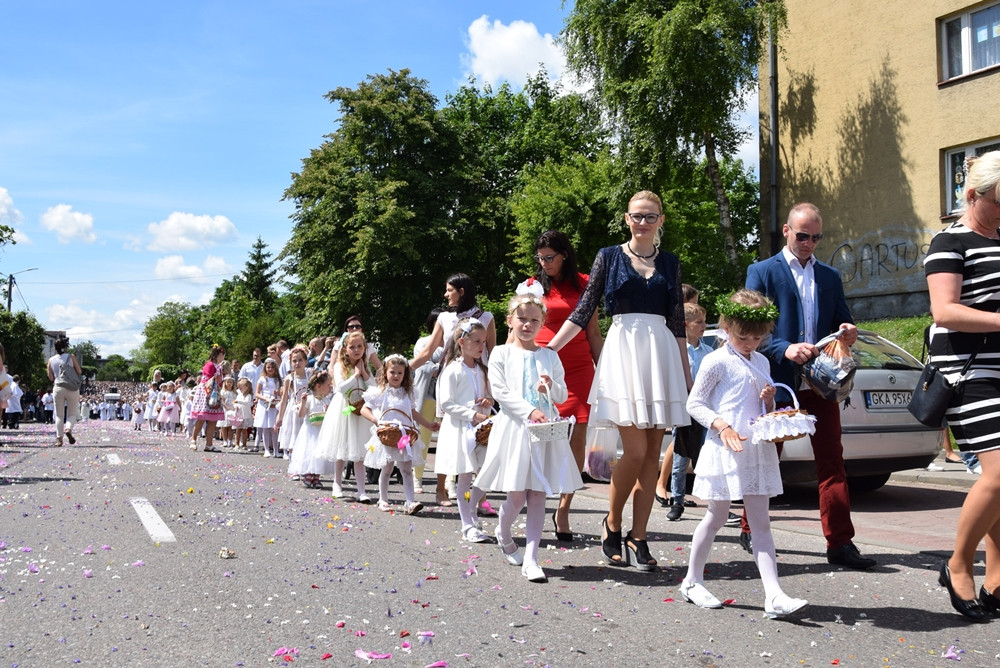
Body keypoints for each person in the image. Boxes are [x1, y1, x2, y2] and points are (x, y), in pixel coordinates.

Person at [547, 190, 691, 571]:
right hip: (624, 352)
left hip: (660, 357)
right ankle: (612, 524)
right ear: (626, 219)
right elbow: (585, 307)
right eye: (637, 216)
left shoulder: (671, 263)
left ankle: (638, 536)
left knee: (651, 455)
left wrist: (685, 371)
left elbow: (677, 321)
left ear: (661, 220)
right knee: (637, 451)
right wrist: (549, 349)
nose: (643, 222)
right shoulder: (609, 257)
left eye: (650, 216)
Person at [745, 202, 875, 570]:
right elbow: (749, 329)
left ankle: (840, 543)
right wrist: (785, 348)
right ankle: (750, 525)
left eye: (816, 237)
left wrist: (848, 333)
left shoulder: (830, 276)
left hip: (820, 383)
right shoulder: (762, 271)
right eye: (803, 235)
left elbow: (842, 322)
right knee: (769, 456)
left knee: (832, 459)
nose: (809, 243)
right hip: (779, 381)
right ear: (786, 231)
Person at [680, 289, 808, 619]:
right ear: (726, 327)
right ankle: (692, 580)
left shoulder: (762, 360)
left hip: (754, 449)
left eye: (757, 337)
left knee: (760, 523)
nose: (750, 343)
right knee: (717, 516)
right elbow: (695, 403)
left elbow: (758, 407)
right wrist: (722, 426)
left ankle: (774, 594)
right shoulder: (715, 360)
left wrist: (768, 400)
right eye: (743, 337)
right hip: (725, 447)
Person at [924, 151, 1000, 622]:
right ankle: (957, 564)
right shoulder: (949, 242)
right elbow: (945, 311)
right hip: (969, 373)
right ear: (974, 195)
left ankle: (996, 579)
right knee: (999, 475)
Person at [475, 293, 583, 583]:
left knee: (538, 493)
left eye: (534, 320)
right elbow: (500, 391)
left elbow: (561, 394)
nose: (527, 324)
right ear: (510, 320)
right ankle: (503, 530)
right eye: (522, 318)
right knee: (517, 493)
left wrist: (550, 385)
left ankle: (532, 558)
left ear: (542, 323)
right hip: (515, 429)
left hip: (543, 432)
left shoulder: (549, 355)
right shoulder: (500, 353)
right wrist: (529, 410)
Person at [517, 230, 602, 542]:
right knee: (540, 437)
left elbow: (593, 331)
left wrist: (603, 368)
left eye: (550, 257)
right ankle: (534, 496)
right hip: (540, 368)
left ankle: (564, 508)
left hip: (579, 369)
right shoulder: (532, 286)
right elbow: (518, 326)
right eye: (540, 258)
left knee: (577, 435)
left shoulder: (585, 283)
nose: (544, 263)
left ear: (564, 254)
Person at [409, 274, 498, 506]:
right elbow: (428, 351)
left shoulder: (486, 317)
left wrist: (492, 389)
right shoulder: (445, 319)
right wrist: (404, 368)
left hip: (479, 379)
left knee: (481, 436)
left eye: (450, 290)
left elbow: (492, 353)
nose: (446, 295)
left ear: (462, 291)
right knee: (450, 435)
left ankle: (481, 498)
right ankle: (441, 489)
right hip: (453, 379)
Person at [435, 318, 494, 543]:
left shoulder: (480, 370)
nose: (482, 346)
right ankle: (467, 524)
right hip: (461, 429)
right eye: (477, 341)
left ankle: (472, 514)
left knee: (485, 474)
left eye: (484, 341)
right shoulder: (453, 370)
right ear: (462, 342)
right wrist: (471, 414)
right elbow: (447, 404)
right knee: (465, 477)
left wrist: (487, 401)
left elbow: (485, 396)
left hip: (480, 429)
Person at [361, 354, 438, 514]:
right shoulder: (380, 392)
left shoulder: (407, 393)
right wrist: (376, 421)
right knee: (387, 468)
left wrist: (428, 425)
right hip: (386, 434)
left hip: (404, 436)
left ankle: (410, 501)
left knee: (406, 468)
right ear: (385, 373)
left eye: (399, 373)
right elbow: (364, 409)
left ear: (405, 375)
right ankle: (383, 499)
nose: (396, 376)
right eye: (392, 372)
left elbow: (413, 412)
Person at [665, 302, 714, 521]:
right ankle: (677, 500)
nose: (704, 326)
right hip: (685, 411)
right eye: (700, 322)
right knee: (680, 458)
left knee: (707, 456)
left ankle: (714, 502)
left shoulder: (708, 351)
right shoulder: (677, 350)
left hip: (705, 410)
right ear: (686, 324)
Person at [315, 331, 375, 502]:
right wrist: (355, 375)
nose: (356, 350)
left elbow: (373, 388)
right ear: (346, 349)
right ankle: (337, 483)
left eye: (360, 346)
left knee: (359, 453)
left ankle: (361, 490)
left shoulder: (365, 366)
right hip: (344, 408)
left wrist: (364, 374)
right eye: (352, 347)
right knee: (341, 448)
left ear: (364, 348)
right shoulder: (339, 366)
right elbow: (340, 388)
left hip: (360, 410)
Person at [412, 307, 444, 494]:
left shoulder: (451, 342)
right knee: (422, 439)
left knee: (447, 441)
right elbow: (421, 365)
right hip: (427, 396)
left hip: (446, 398)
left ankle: (449, 482)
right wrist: (439, 367)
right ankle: (417, 478)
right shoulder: (423, 342)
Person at [288, 370, 335, 488]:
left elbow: (329, 417)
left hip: (321, 431)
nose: (330, 388)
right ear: (318, 386)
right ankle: (308, 474)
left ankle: (316, 477)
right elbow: (301, 414)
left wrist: (328, 409)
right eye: (328, 385)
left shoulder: (326, 400)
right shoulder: (309, 399)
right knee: (309, 453)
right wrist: (303, 403)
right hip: (310, 431)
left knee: (319, 454)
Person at [188, 345, 227, 453]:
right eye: (222, 355)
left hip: (215, 391)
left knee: (213, 419)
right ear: (219, 355)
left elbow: (219, 381)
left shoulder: (219, 366)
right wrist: (216, 378)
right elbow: (208, 379)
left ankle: (209, 444)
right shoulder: (209, 365)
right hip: (206, 392)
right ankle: (193, 440)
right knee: (201, 417)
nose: (223, 357)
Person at [275, 346, 311, 461]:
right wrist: (279, 417)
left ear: (305, 361)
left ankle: (305, 465)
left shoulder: (310, 374)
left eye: (300, 360)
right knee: (294, 434)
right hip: (294, 409)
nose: (297, 363)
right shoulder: (289, 378)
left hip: (309, 408)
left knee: (308, 436)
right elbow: (284, 398)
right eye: (294, 361)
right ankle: (293, 463)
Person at [47, 335, 83, 447]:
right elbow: (79, 371)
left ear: (55, 348)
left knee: (59, 415)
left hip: (58, 387)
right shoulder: (71, 356)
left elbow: (51, 378)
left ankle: (59, 439)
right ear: (65, 347)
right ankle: (68, 429)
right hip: (72, 387)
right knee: (72, 414)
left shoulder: (51, 360)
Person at [253, 358, 282, 457]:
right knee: (265, 427)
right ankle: (266, 450)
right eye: (268, 367)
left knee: (274, 428)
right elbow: (257, 393)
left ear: (275, 369)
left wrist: (277, 394)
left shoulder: (278, 380)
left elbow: (281, 392)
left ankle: (276, 450)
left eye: (272, 367)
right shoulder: (262, 379)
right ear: (265, 368)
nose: (270, 369)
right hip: (264, 405)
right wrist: (265, 398)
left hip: (274, 404)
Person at [233, 378, 255, 451]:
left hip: (245, 415)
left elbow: (247, 403)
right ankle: (237, 444)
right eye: (239, 388)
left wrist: (239, 402)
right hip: (239, 414)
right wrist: (235, 406)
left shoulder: (248, 396)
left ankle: (244, 444)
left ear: (247, 388)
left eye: (242, 388)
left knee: (244, 430)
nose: (240, 389)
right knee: (238, 430)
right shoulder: (239, 395)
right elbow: (235, 403)